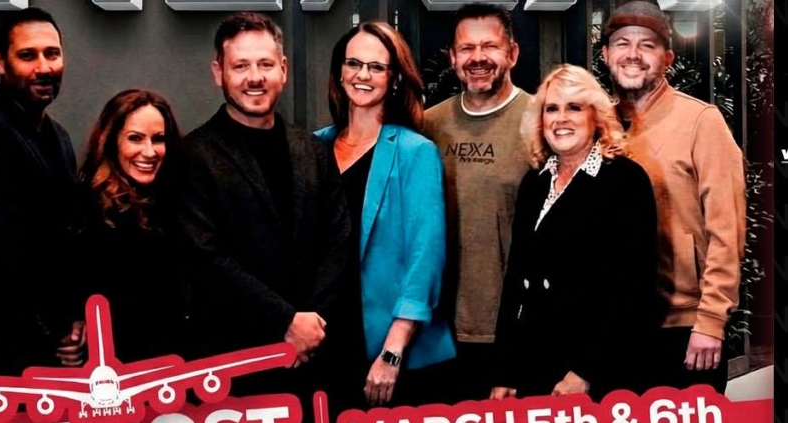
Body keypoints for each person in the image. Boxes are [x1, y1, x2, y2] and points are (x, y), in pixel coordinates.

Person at [161, 10, 352, 408]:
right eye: (241, 65)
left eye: (265, 64)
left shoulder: (313, 150)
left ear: (283, 70)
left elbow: (338, 241)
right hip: (235, 365)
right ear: (219, 72)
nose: (254, 77)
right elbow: (204, 258)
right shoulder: (193, 156)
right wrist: (286, 321)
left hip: (315, 360)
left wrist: (309, 324)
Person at [487, 64, 664, 401]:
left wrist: (585, 371)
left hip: (597, 371)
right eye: (551, 109)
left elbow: (632, 289)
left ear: (596, 116)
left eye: (574, 107)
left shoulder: (625, 180)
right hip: (535, 365)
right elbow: (516, 281)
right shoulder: (534, 182)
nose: (561, 118)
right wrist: (505, 370)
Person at [601, 0, 746, 394]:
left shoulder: (701, 121)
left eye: (647, 45)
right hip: (614, 327)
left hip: (683, 326)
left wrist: (711, 321)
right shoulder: (597, 126)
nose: (633, 54)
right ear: (606, 55)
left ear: (667, 58)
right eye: (622, 43)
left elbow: (727, 229)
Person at [314, 21, 455, 408]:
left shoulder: (415, 151)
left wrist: (392, 351)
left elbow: (425, 257)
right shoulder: (313, 147)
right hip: (325, 342)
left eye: (376, 67)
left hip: (389, 349)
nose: (362, 75)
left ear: (394, 79)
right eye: (353, 63)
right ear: (339, 71)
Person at [0, 7, 85, 376]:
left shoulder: (59, 137)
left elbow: (65, 244)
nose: (44, 67)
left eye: (52, 54)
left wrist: (74, 324)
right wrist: (57, 334)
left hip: (48, 348)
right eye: (27, 55)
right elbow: (1, 256)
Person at [421, 3, 534, 402]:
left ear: (512, 54)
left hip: (516, 329)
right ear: (452, 57)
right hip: (437, 330)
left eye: (490, 46)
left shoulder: (543, 122)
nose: (478, 57)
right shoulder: (428, 126)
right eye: (467, 48)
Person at [75, 89, 190, 363]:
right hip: (118, 369)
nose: (149, 152)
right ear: (111, 141)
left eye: (158, 139)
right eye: (135, 138)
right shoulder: (88, 208)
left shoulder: (176, 199)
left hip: (174, 364)